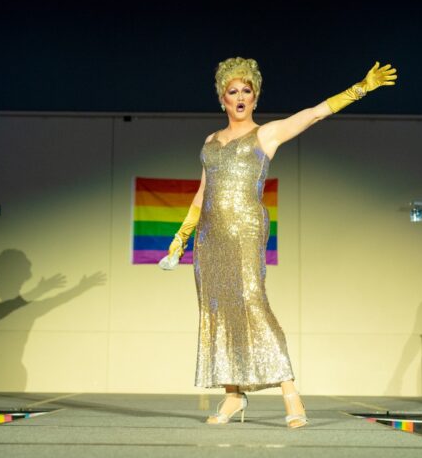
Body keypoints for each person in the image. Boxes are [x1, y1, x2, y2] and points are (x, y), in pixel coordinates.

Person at [163, 57, 397, 428]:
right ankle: (232, 396)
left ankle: (290, 391)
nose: (239, 97)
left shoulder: (266, 134)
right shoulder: (209, 142)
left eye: (246, 91)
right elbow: (201, 193)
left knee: (253, 304)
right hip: (209, 237)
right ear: (221, 98)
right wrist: (180, 239)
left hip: (246, 230)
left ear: (255, 97)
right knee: (218, 312)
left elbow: (314, 113)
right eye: (232, 91)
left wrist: (362, 88)